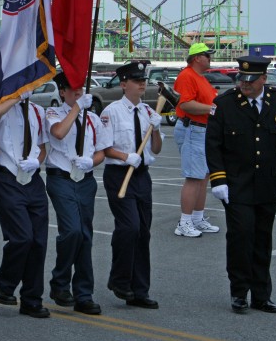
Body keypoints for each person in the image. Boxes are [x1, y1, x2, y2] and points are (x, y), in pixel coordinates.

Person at [206, 55, 276, 314]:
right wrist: (218, 179)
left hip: (267, 183)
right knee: (241, 236)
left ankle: (261, 295)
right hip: (236, 184)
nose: (244, 85)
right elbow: (213, 145)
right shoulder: (224, 104)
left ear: (264, 79)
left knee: (262, 239)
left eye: (250, 80)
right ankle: (239, 292)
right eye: (241, 79)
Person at [45, 72, 110, 315]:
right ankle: (59, 282)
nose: (79, 93)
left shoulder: (92, 118)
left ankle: (84, 293)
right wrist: (76, 109)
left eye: (80, 90)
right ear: (62, 92)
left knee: (84, 235)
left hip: (85, 179)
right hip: (60, 178)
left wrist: (90, 162)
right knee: (71, 230)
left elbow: (102, 151)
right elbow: (59, 133)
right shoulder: (53, 113)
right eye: (73, 90)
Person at [100, 62, 163, 309]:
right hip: (119, 174)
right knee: (129, 227)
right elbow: (104, 147)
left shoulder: (148, 111)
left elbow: (156, 148)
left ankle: (139, 290)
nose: (141, 84)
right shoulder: (112, 112)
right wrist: (126, 157)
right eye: (136, 81)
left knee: (143, 232)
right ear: (124, 84)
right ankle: (119, 279)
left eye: (143, 80)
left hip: (141, 175)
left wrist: (156, 130)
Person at [0, 91, 50, 318]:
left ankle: (32, 299)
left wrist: (37, 161)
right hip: (9, 178)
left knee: (38, 242)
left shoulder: (37, 111)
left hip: (32, 178)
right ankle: (3, 283)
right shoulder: (3, 106)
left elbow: (42, 146)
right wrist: (16, 96)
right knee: (22, 237)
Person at [173, 43, 220, 237]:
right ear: (196, 58)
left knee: (202, 176)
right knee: (194, 177)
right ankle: (184, 222)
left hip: (201, 130)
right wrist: (213, 109)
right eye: (207, 55)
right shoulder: (187, 76)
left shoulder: (199, 77)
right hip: (193, 129)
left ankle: (197, 218)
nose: (210, 58)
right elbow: (186, 104)